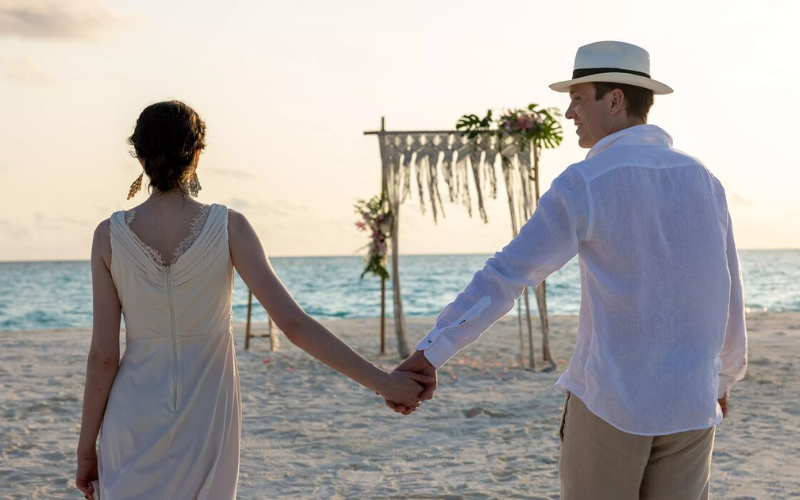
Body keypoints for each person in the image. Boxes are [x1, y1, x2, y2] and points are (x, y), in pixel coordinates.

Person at [387, 41, 748, 499]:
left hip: (612, 403)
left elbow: (508, 275)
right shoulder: (704, 180)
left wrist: (431, 352)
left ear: (614, 99)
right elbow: (727, 288)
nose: (568, 113)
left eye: (579, 98)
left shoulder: (587, 183)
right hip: (692, 404)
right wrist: (723, 378)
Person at [75, 100, 430, 500]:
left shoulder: (108, 236)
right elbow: (293, 325)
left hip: (131, 415)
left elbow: (103, 356)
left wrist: (86, 448)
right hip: (206, 414)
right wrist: (383, 383)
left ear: (139, 156)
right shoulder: (228, 227)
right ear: (197, 153)